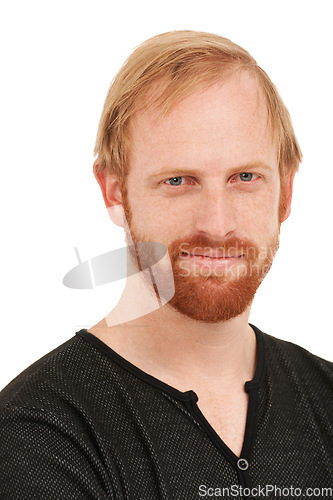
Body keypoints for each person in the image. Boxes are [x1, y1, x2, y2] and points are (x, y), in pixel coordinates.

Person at [0, 30, 332, 499]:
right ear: (114, 191)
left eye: (245, 177)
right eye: (178, 180)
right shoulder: (37, 435)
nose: (217, 224)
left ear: (287, 192)